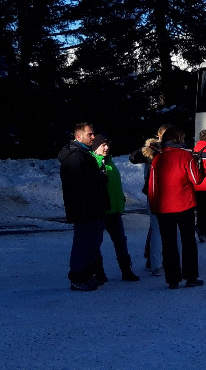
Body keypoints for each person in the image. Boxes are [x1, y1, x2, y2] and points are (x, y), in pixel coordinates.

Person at [148, 126, 205, 289]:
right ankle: (190, 276)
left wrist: (154, 205)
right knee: (188, 241)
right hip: (183, 204)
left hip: (163, 207)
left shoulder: (158, 158)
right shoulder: (185, 156)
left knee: (169, 242)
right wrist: (198, 163)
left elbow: (152, 185)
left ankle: (172, 278)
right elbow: (196, 179)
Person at [58, 122, 109, 291]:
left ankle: (86, 275)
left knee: (90, 242)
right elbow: (78, 184)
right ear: (78, 136)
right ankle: (78, 277)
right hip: (84, 208)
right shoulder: (75, 156)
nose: (93, 137)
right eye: (90, 135)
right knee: (83, 243)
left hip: (89, 207)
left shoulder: (83, 154)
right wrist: (99, 178)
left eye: (93, 134)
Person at [92, 134, 139, 282]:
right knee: (96, 242)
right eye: (102, 145)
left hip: (114, 210)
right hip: (100, 211)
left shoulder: (110, 161)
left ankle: (126, 271)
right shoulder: (92, 163)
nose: (106, 148)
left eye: (107, 145)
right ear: (95, 147)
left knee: (120, 241)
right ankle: (99, 273)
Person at [129, 124, 171, 276]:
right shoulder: (152, 148)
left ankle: (160, 260)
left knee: (164, 229)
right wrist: (147, 148)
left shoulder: (172, 149)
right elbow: (133, 158)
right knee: (157, 228)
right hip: (154, 192)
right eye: (165, 134)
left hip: (169, 192)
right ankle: (154, 263)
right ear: (159, 135)